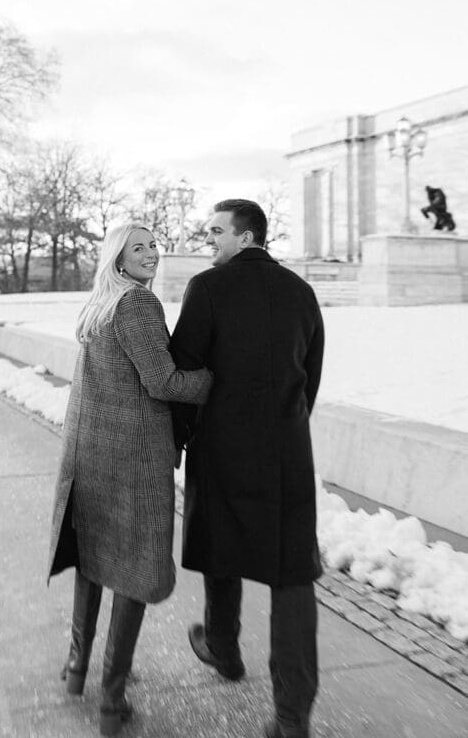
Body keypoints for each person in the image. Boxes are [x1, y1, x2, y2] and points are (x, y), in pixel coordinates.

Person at [47, 222, 212, 737]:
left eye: (153, 245)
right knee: (134, 569)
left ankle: (78, 667)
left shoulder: (98, 305)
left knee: (95, 562)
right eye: (138, 247)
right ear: (117, 257)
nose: (151, 253)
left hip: (90, 454)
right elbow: (162, 381)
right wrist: (216, 379)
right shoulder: (137, 304)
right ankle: (112, 700)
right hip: (134, 463)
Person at [170, 199, 325, 738]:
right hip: (287, 454)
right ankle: (291, 717)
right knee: (292, 575)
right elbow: (311, 375)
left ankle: (223, 646)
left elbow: (185, 371)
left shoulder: (207, 288)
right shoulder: (302, 292)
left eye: (216, 231)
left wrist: (181, 436)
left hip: (220, 446)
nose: (208, 239)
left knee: (221, 546)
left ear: (246, 235)